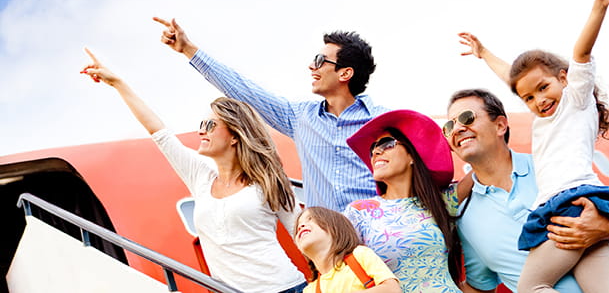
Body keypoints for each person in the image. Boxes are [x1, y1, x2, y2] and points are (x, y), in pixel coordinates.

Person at [80, 48, 307, 293]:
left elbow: (302, 235)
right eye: (201, 125)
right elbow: (159, 133)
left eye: (210, 125)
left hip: (285, 288)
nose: (202, 131)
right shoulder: (200, 176)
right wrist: (118, 84)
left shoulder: (268, 181)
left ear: (234, 136)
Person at [458, 0, 609, 292]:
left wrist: (599, 8)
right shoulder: (544, 115)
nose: (539, 100)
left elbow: (582, 53)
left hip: (568, 204)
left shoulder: (575, 102)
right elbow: (511, 78)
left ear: (564, 78)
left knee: (531, 287)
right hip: (590, 204)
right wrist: (484, 53)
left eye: (544, 87)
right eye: (529, 98)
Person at [153, 17, 388, 211]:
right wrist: (188, 50)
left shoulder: (385, 123)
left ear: (345, 74)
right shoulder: (300, 117)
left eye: (320, 61)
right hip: (330, 246)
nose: (311, 67)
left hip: (378, 239)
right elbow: (244, 89)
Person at [444, 89, 609, 293]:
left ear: (500, 125)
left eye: (467, 118)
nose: (457, 129)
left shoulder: (553, 166)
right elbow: (480, 286)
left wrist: (601, 229)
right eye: (449, 126)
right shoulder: (466, 217)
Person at [343, 110, 463, 292]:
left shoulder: (443, 199)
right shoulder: (359, 212)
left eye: (386, 144)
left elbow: (487, 170)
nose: (376, 151)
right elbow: (338, 269)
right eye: (372, 148)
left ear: (412, 156)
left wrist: (449, 143)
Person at [294, 206, 401, 293]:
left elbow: (392, 289)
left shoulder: (360, 255)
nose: (301, 226)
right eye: (298, 226)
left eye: (310, 219)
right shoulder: (310, 290)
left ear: (336, 229)